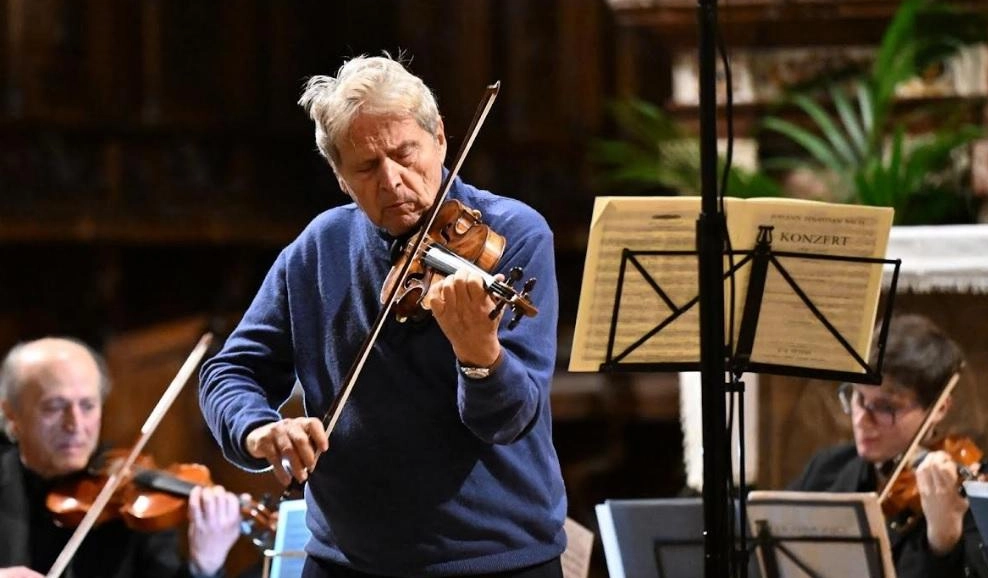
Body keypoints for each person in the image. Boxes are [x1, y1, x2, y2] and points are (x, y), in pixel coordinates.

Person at [198, 54, 566, 578]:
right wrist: (258, 430)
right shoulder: (319, 247)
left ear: (440, 138)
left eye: (404, 153)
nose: (392, 180)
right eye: (367, 167)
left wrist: (479, 356)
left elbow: (508, 422)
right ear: (340, 176)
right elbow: (229, 371)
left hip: (493, 557)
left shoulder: (512, 235)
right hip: (345, 561)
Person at [0, 337, 242, 578]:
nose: (75, 424)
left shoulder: (134, 501)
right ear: (11, 414)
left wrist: (204, 566)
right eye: (54, 407)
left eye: (87, 405)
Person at [788, 313, 988, 578]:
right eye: (857, 396)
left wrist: (943, 539)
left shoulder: (982, 489)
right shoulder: (827, 469)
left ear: (939, 408)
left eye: (885, 407)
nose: (861, 419)